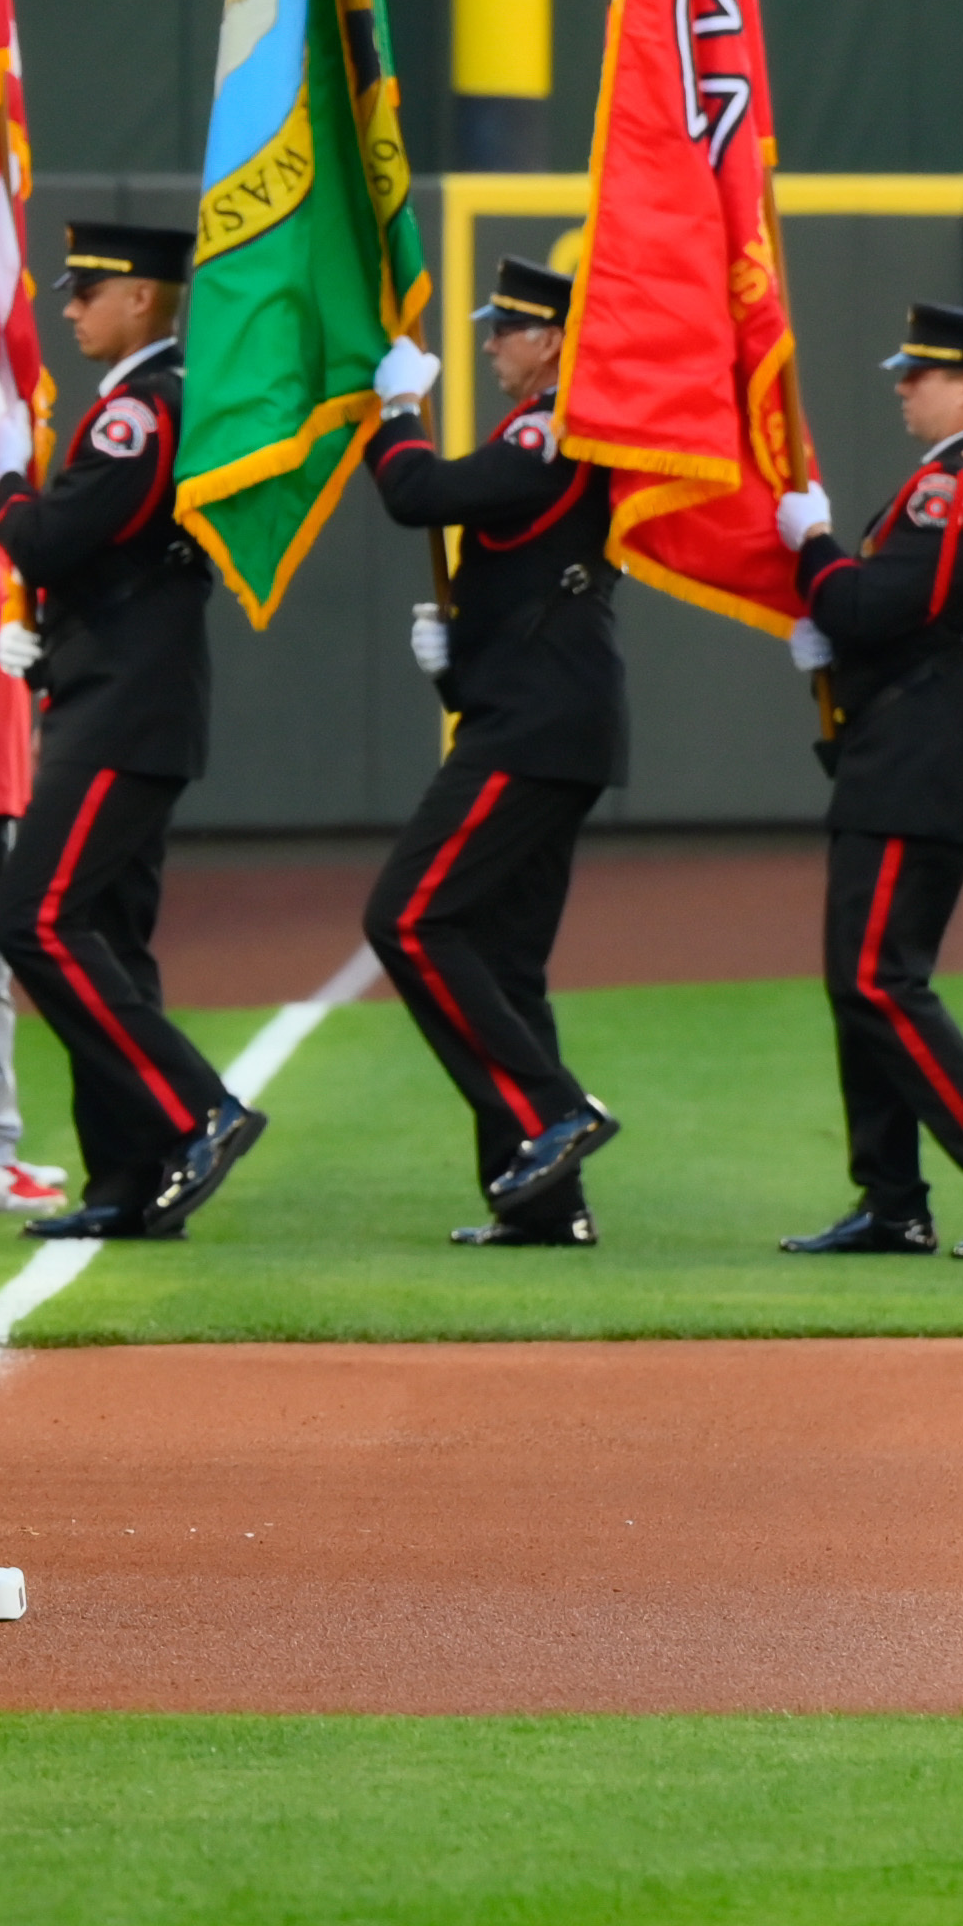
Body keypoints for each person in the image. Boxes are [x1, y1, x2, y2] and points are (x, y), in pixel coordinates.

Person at [770, 302, 963, 1261]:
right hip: (899, 753)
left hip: (923, 757)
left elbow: (881, 602)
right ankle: (892, 1200)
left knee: (880, 977)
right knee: (857, 979)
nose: (903, 384)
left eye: (922, 372)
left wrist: (814, 547)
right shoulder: (946, 482)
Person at [0, 215, 257, 1239]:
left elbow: (53, 541)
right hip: (130, 694)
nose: (68, 307)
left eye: (86, 291)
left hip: (121, 705)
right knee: (105, 936)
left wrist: (6, 482)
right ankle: (128, 1180)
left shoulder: (137, 412)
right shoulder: (154, 401)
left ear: (140, 296)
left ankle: (199, 1110)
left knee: (37, 918)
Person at [353, 257, 629, 1247]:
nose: (487, 342)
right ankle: (543, 1203)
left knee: (410, 917)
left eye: (503, 328)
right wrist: (454, 663)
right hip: (536, 709)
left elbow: (420, 492)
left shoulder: (549, 425)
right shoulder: (547, 428)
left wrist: (398, 412)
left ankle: (550, 1112)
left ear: (549, 339)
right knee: (504, 958)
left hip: (536, 722)